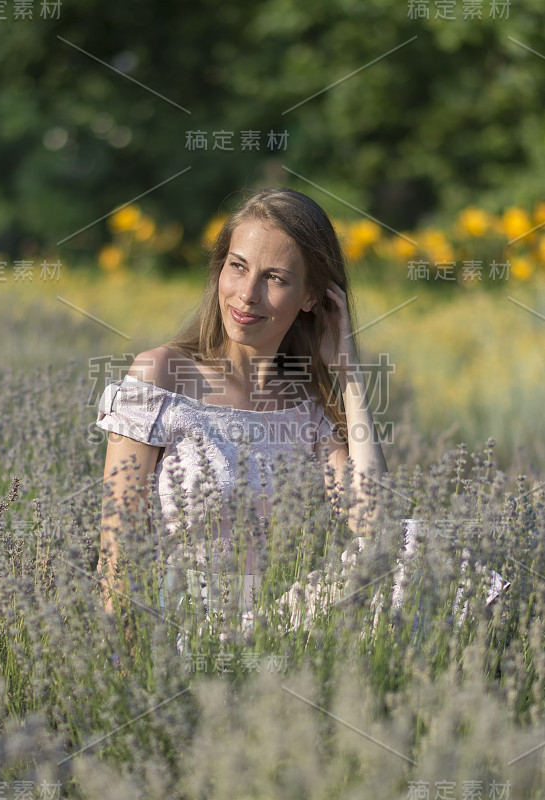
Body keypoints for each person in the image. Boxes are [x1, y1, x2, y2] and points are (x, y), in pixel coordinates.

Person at [94, 187, 507, 643]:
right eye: (237, 266)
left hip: (274, 630)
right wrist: (127, 673)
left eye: (274, 278)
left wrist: (348, 377)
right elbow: (116, 545)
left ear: (312, 296)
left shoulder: (306, 403)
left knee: (416, 539)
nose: (247, 294)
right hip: (179, 635)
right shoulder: (162, 374)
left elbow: (375, 523)